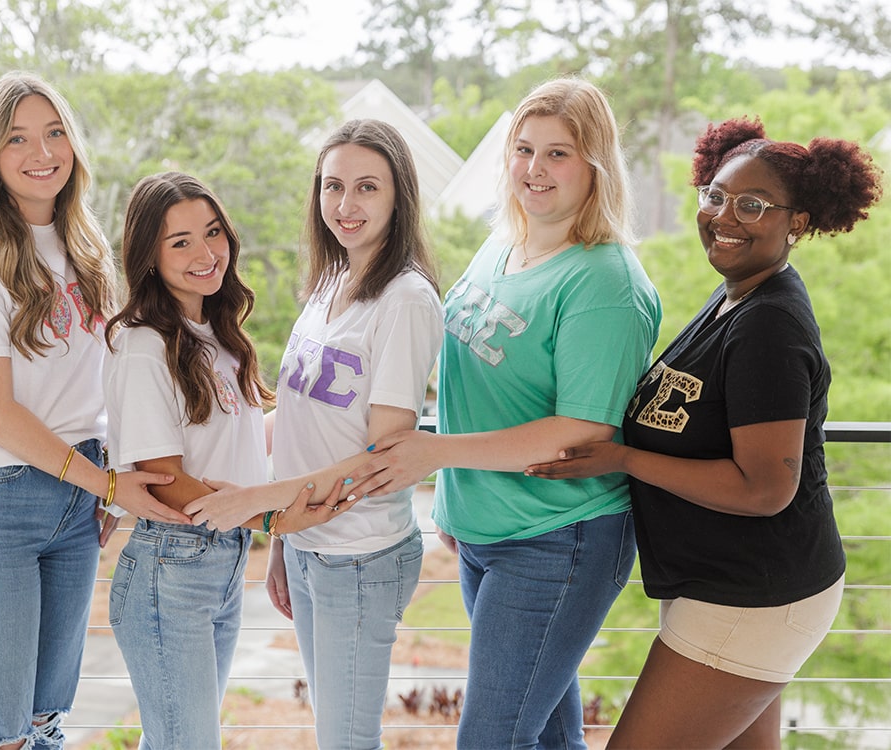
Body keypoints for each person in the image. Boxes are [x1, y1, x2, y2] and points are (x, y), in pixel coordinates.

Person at [525, 116, 883, 748]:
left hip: (754, 596)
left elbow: (765, 488)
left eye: (752, 205)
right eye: (715, 196)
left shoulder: (770, 326)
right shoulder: (734, 296)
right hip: (730, 586)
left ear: (795, 224)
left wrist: (625, 458)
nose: (724, 216)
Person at [346, 78, 662, 748]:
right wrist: (461, 502)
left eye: (558, 154)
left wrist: (438, 456)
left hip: (558, 538)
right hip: (488, 531)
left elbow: (582, 432)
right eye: (524, 149)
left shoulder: (604, 282)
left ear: (595, 168)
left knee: (491, 738)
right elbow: (477, 387)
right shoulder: (505, 243)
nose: (534, 170)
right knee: (545, 737)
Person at [0, 72, 188, 750]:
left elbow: (106, 383)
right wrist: (105, 486)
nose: (42, 152)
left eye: (55, 131)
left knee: (44, 721)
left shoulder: (85, 248)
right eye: (17, 139)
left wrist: (105, 486)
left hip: (76, 496)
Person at [187, 119, 444, 749]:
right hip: (309, 540)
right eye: (333, 187)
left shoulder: (405, 300)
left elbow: (384, 456)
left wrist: (256, 503)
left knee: (346, 741)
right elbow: (303, 421)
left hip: (360, 554)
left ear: (397, 197)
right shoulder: (331, 280)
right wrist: (280, 539)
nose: (345, 205)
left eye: (366, 188)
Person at [102, 171, 349, 748]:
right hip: (172, 570)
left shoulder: (213, 333)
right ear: (148, 254)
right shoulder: (143, 344)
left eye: (213, 232)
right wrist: (269, 519)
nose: (206, 253)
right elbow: (162, 481)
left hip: (219, 561)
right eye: (180, 241)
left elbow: (235, 441)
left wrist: (327, 425)